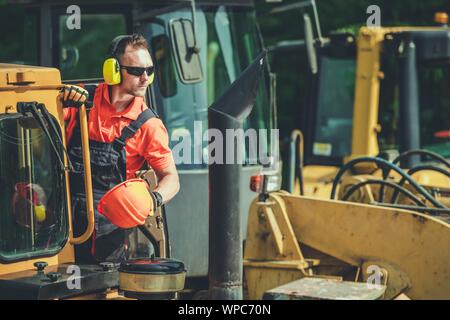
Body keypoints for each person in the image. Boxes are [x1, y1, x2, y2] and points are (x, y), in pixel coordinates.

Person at [60, 34, 179, 263]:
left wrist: (153, 199)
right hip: (63, 223)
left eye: (149, 70)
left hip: (108, 232)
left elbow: (171, 178)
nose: (145, 78)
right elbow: (35, 126)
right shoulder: (80, 99)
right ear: (113, 70)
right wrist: (61, 100)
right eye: (136, 71)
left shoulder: (149, 125)